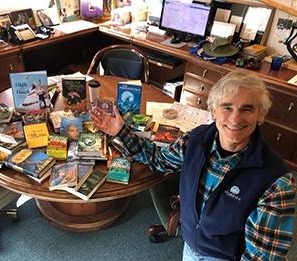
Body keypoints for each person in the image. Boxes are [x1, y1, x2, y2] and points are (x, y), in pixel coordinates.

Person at [89, 70, 296, 260]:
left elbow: (262, 257)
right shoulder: (195, 140)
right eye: (227, 107)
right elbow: (159, 160)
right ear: (213, 110)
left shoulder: (278, 182)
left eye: (247, 109)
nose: (235, 118)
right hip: (189, 245)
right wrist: (120, 131)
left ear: (260, 116)